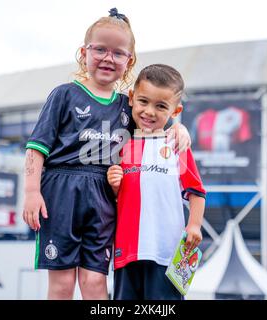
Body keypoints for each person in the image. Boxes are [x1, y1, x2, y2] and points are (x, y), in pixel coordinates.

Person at [22, 9, 191, 300]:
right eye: (100, 49)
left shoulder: (126, 105)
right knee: (62, 284)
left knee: (94, 283)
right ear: (83, 53)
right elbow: (36, 148)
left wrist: (180, 127)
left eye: (117, 53)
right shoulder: (64, 95)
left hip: (103, 196)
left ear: (129, 61)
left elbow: (156, 115)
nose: (107, 58)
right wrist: (31, 192)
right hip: (61, 192)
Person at [107, 64, 206, 300]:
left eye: (161, 106)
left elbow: (197, 191)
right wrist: (114, 185)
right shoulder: (122, 146)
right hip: (126, 252)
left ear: (175, 110)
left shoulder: (177, 145)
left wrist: (194, 225)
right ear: (131, 98)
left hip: (167, 253)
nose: (149, 111)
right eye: (143, 101)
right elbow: (115, 199)